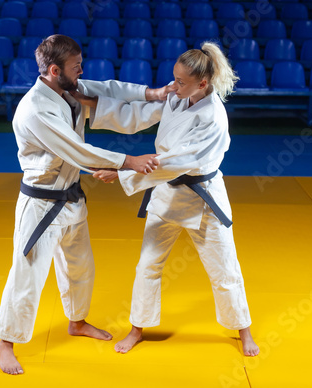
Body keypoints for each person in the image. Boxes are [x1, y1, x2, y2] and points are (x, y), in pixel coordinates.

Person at [70, 42, 260, 357]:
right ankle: (137, 329)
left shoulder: (213, 117)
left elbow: (177, 161)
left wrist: (122, 172)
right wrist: (88, 103)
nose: (174, 85)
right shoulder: (176, 97)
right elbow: (135, 114)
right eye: (174, 78)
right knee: (147, 265)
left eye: (181, 81)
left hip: (203, 201)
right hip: (167, 195)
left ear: (203, 83)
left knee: (224, 269)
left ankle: (244, 331)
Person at [0, 34, 170, 375]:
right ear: (53, 69)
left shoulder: (66, 88)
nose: (81, 72)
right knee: (27, 273)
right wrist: (129, 161)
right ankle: (6, 343)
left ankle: (76, 322)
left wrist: (154, 94)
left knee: (80, 267)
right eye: (76, 67)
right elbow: (77, 151)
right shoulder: (36, 109)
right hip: (42, 205)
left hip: (72, 197)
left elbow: (109, 89)